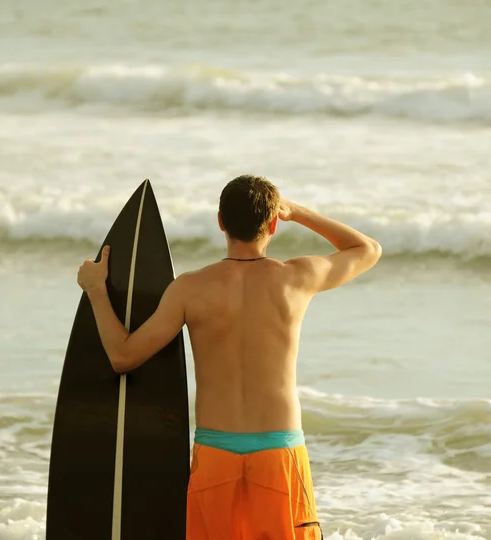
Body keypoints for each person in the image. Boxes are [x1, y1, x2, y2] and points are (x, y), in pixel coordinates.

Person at [77, 175, 382, 539]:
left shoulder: (190, 288)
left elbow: (122, 356)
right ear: (272, 224)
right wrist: (297, 212)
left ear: (220, 221)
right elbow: (366, 249)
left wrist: (97, 290)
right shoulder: (296, 278)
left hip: (214, 453)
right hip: (278, 452)